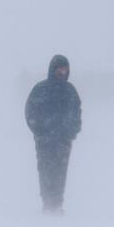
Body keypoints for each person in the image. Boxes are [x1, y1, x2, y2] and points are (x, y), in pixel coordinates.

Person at [25, 55, 82, 214]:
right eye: (59, 68)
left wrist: (72, 131)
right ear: (52, 69)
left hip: (63, 140)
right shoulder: (40, 89)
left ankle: (56, 204)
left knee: (61, 170)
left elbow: (77, 112)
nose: (62, 71)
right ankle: (47, 203)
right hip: (44, 140)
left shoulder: (70, 90)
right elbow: (30, 111)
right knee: (45, 170)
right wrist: (39, 130)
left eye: (65, 68)